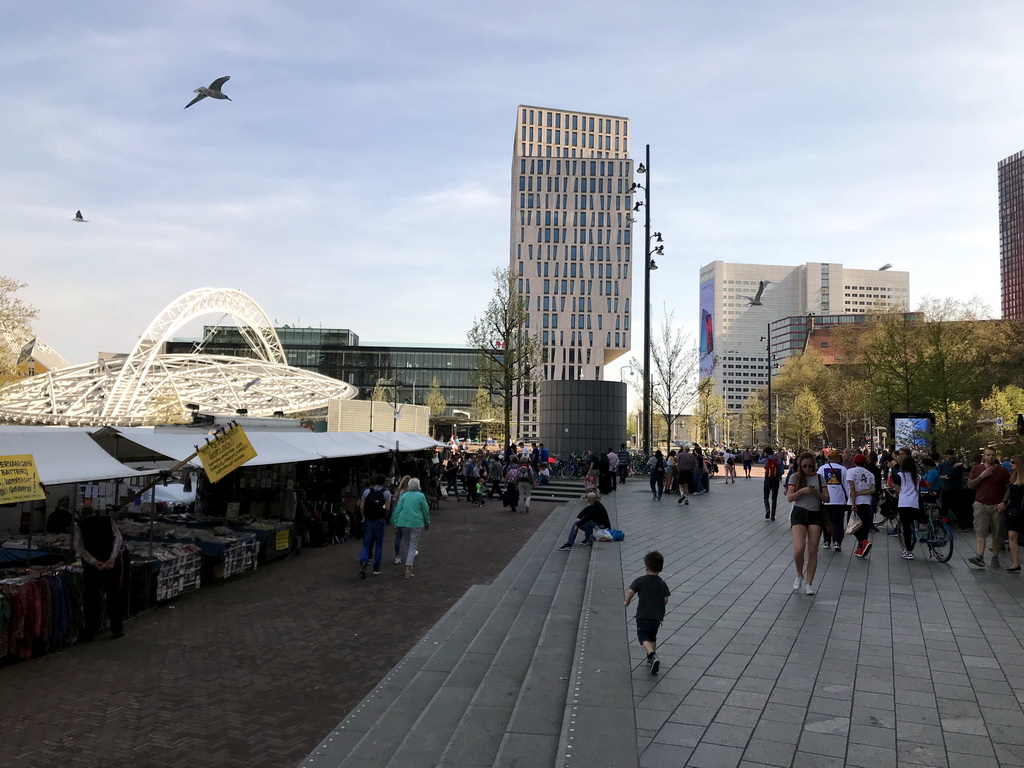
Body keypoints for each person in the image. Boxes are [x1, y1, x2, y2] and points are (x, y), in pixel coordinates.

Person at [74, 506, 125, 640]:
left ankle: (91, 630)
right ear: (94, 513)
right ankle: (117, 629)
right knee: (113, 596)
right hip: (111, 565)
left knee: (92, 598)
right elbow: (118, 538)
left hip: (93, 568)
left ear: (82, 516)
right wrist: (112, 558)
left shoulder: (80, 526)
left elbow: (79, 547)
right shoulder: (108, 521)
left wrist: (93, 561)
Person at [787, 451, 830, 595]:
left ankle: (809, 582)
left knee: (812, 550)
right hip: (799, 513)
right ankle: (799, 575)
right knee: (799, 548)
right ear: (800, 466)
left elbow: (827, 498)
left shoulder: (820, 478)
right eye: (804, 466)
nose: (807, 469)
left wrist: (816, 493)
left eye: (810, 466)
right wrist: (800, 492)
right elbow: (790, 497)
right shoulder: (795, 477)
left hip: (815, 514)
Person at [624, 550, 671, 675]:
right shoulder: (662, 583)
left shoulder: (641, 580)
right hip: (657, 616)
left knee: (643, 637)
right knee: (652, 636)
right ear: (661, 568)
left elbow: (630, 592)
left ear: (646, 566)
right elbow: (665, 600)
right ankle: (650, 660)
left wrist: (626, 602)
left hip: (643, 615)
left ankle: (652, 655)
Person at [967, 447, 1012, 569]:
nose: (990, 457)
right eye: (988, 455)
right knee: (980, 530)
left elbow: (1008, 488)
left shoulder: (1002, 471)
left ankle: (995, 557)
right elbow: (970, 485)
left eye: (993, 455)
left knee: (997, 532)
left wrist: (1004, 502)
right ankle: (979, 556)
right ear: (984, 456)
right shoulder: (977, 469)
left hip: (996, 505)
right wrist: (981, 476)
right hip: (981, 504)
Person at [390, 477, 430, 579]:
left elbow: (398, 509)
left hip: (403, 522)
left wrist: (395, 522)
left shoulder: (404, 495)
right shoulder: (421, 496)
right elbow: (425, 510)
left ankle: (408, 564)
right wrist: (427, 522)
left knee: (408, 544)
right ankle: (409, 567)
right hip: (416, 522)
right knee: (412, 545)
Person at [891, 456, 924, 560]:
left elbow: (896, 490)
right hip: (915, 504)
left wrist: (896, 494)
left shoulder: (899, 475)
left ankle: (908, 550)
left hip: (904, 503)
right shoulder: (917, 477)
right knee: (913, 522)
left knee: (906, 527)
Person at [358, 475, 391, 578]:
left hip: (368, 521)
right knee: (379, 545)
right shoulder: (386, 493)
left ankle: (363, 561)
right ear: (384, 482)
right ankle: (376, 568)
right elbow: (387, 508)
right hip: (379, 521)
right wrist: (383, 515)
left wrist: (364, 516)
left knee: (366, 545)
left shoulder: (367, 492)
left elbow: (361, 506)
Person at [818, 450, 848, 552]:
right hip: (839, 500)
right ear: (836, 458)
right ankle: (837, 541)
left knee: (826, 521)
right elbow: (847, 485)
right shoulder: (843, 469)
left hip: (826, 500)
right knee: (838, 522)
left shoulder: (822, 469)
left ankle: (827, 540)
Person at [846, 454, 876, 557]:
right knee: (863, 525)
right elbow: (873, 489)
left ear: (854, 462)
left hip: (855, 501)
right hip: (866, 501)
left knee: (851, 525)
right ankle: (861, 547)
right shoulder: (870, 474)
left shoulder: (850, 472)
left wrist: (853, 502)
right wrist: (863, 492)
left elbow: (852, 488)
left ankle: (863, 542)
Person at [1002, 456, 1024, 573]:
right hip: (1013, 509)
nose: (1010, 464)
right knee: (1012, 536)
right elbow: (1009, 492)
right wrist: (1004, 503)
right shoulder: (1013, 476)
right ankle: (1015, 562)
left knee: (1014, 535)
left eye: (1012, 462)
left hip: (1020, 509)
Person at [391, 475, 411, 565]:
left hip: (399, 516)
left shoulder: (398, 491)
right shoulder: (410, 492)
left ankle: (397, 556)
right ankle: (409, 555)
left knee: (398, 538)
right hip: (408, 516)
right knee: (409, 537)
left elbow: (394, 503)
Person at [763, 447, 782, 520]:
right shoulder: (778, 460)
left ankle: (767, 509)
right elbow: (781, 471)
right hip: (775, 478)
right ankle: (773, 515)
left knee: (766, 496)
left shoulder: (766, 460)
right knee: (774, 498)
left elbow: (759, 460)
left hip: (767, 478)